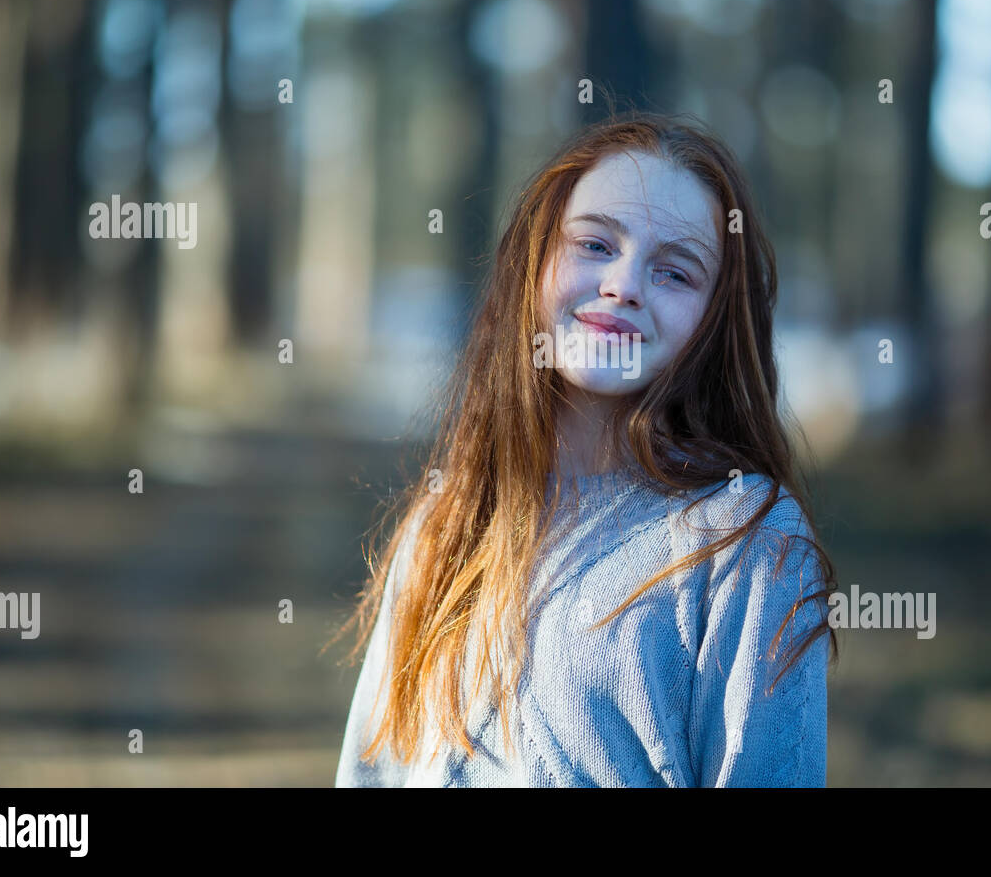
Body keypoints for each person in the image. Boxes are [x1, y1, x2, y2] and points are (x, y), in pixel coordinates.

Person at [331, 110, 838, 787]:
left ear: (714, 324)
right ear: (534, 262)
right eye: (596, 246)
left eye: (676, 273)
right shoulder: (444, 523)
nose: (623, 285)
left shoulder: (746, 543)